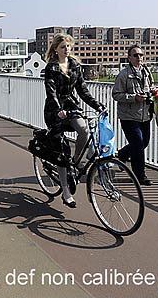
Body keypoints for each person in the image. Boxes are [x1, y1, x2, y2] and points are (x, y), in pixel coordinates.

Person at [43, 33, 105, 208]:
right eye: (63, 47)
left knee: (84, 129)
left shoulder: (75, 65)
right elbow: (51, 92)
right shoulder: (51, 67)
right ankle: (66, 191)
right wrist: (58, 109)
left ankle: (76, 161)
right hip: (54, 111)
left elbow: (82, 90)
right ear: (56, 49)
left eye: (69, 46)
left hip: (71, 107)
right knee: (61, 152)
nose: (67, 49)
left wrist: (96, 104)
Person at [112, 44, 158, 186]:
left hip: (145, 114)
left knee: (144, 142)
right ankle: (140, 176)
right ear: (129, 58)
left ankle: (123, 154)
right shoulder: (124, 75)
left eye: (141, 55)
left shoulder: (146, 71)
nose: (139, 57)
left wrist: (154, 90)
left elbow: (150, 86)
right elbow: (116, 94)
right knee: (138, 144)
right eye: (136, 55)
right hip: (128, 116)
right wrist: (133, 97)